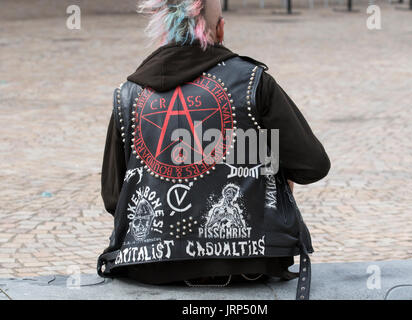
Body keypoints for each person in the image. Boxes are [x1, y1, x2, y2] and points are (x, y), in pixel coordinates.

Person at [99, 0, 330, 300]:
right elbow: (313, 165)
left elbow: (114, 198)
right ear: (220, 30)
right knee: (267, 148)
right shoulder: (253, 83)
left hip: (152, 266)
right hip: (253, 262)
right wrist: (259, 151)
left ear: (164, 35)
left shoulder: (128, 96)